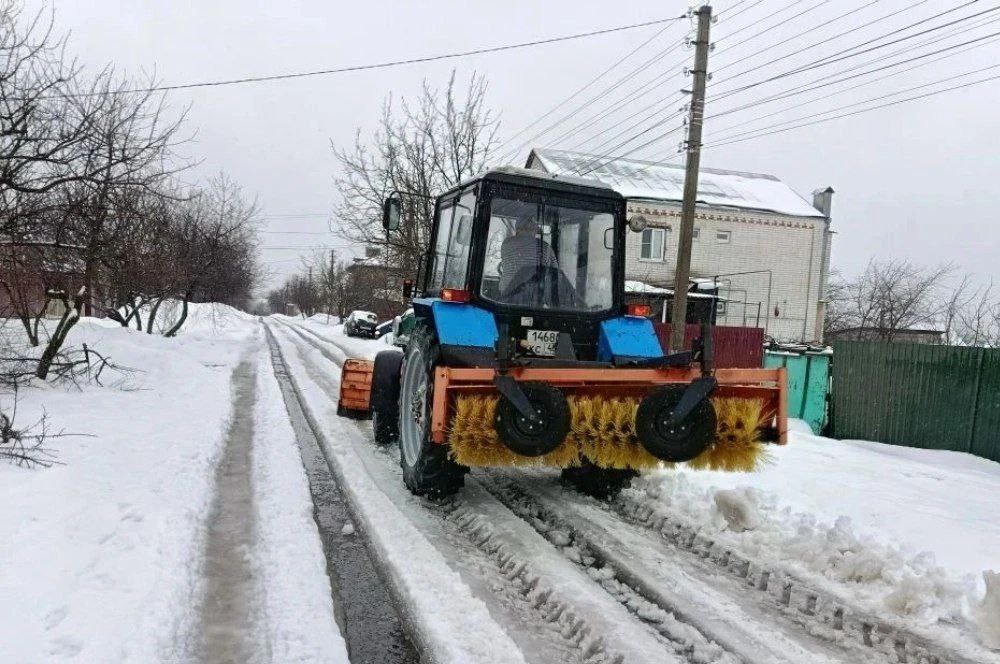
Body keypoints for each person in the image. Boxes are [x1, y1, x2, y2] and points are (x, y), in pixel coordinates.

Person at [499, 218, 558, 296]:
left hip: (507, 291)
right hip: (533, 294)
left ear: (518, 229)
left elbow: (505, 264)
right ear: (534, 230)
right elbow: (555, 271)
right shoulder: (544, 246)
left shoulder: (506, 244)